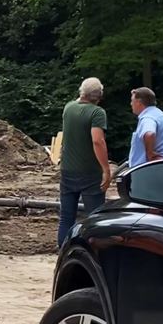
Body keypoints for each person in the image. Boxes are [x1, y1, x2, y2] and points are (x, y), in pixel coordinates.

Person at [57, 78, 111, 246]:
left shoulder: (68, 108)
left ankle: (63, 251)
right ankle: (94, 253)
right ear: (98, 96)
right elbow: (97, 141)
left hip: (67, 170)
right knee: (94, 217)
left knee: (66, 217)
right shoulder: (97, 112)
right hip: (90, 173)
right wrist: (106, 170)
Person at [128, 87, 163, 168]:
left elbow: (149, 134)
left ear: (139, 102)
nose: (131, 104)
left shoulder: (147, 117)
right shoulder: (161, 115)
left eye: (132, 101)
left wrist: (150, 153)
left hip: (149, 171)